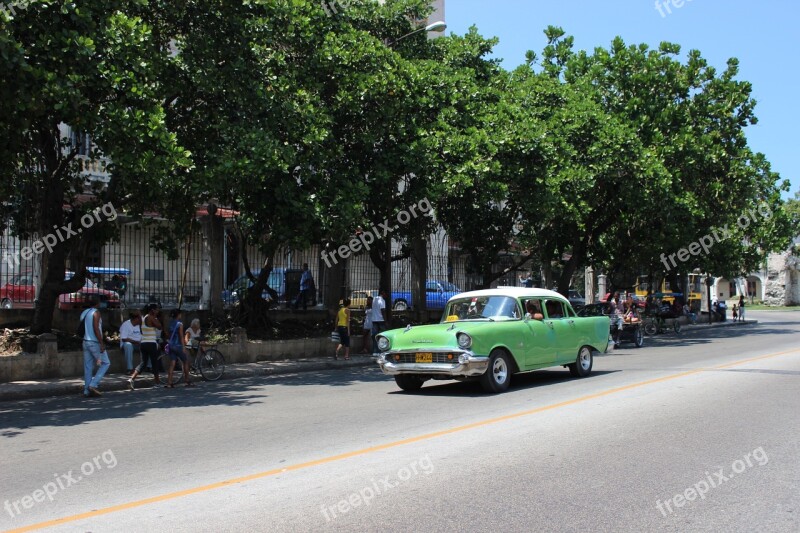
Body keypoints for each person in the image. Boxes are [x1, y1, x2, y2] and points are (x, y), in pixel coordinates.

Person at [80, 296, 110, 397]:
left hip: (85, 341)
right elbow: (96, 328)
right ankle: (93, 384)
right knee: (105, 363)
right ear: (97, 303)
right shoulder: (96, 312)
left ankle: (86, 390)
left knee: (88, 366)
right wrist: (101, 343)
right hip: (94, 342)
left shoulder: (84, 312)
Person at [128, 304, 163, 389]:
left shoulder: (142, 319)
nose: (158, 311)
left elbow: (142, 330)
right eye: (156, 310)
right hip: (151, 343)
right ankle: (157, 382)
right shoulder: (151, 317)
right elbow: (159, 326)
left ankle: (131, 379)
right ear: (152, 310)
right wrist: (156, 318)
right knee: (155, 363)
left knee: (143, 363)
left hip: (143, 343)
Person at [166, 309, 192, 387]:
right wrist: (183, 347)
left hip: (171, 345)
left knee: (172, 363)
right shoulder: (179, 324)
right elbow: (181, 336)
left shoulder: (170, 323)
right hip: (178, 345)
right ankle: (187, 380)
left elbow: (169, 334)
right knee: (185, 361)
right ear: (178, 315)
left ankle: (169, 382)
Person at [119, 310, 143, 375]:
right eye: (139, 318)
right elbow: (124, 339)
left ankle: (147, 367)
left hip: (139, 343)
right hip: (129, 343)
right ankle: (129, 369)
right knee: (128, 345)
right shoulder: (126, 325)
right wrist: (136, 342)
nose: (141, 319)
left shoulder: (140, 325)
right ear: (135, 319)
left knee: (148, 345)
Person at [371, 289, 388, 356]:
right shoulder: (382, 300)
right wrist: (386, 321)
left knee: (375, 336)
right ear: (383, 293)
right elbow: (383, 311)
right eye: (385, 294)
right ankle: (383, 350)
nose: (386, 296)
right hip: (381, 320)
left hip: (374, 320)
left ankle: (375, 351)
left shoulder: (375, 299)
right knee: (384, 335)